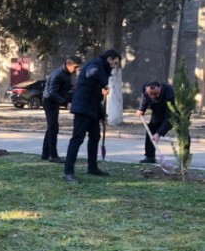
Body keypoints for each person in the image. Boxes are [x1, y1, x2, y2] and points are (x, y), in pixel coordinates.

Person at [63, 49, 122, 183]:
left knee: (95, 137)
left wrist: (102, 114)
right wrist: (105, 84)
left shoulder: (104, 68)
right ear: (109, 59)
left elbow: (97, 95)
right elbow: (91, 73)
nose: (115, 66)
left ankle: (92, 167)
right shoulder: (95, 64)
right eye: (115, 62)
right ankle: (68, 172)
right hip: (83, 107)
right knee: (77, 139)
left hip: (92, 108)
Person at [41, 56, 82, 162]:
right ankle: (53, 155)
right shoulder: (58, 74)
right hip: (49, 101)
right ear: (68, 64)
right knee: (53, 127)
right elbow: (52, 92)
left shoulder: (66, 73)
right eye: (76, 66)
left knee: (51, 127)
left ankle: (45, 154)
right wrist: (66, 103)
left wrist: (71, 87)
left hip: (53, 101)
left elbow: (62, 86)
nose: (77, 69)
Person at [135, 81, 176, 163]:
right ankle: (150, 157)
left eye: (155, 94)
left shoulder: (170, 94)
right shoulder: (145, 89)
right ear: (147, 90)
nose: (152, 96)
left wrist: (159, 133)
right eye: (150, 94)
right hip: (157, 111)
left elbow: (169, 118)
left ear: (160, 88)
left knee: (183, 134)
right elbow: (145, 97)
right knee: (151, 130)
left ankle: (185, 160)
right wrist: (141, 109)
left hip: (172, 111)